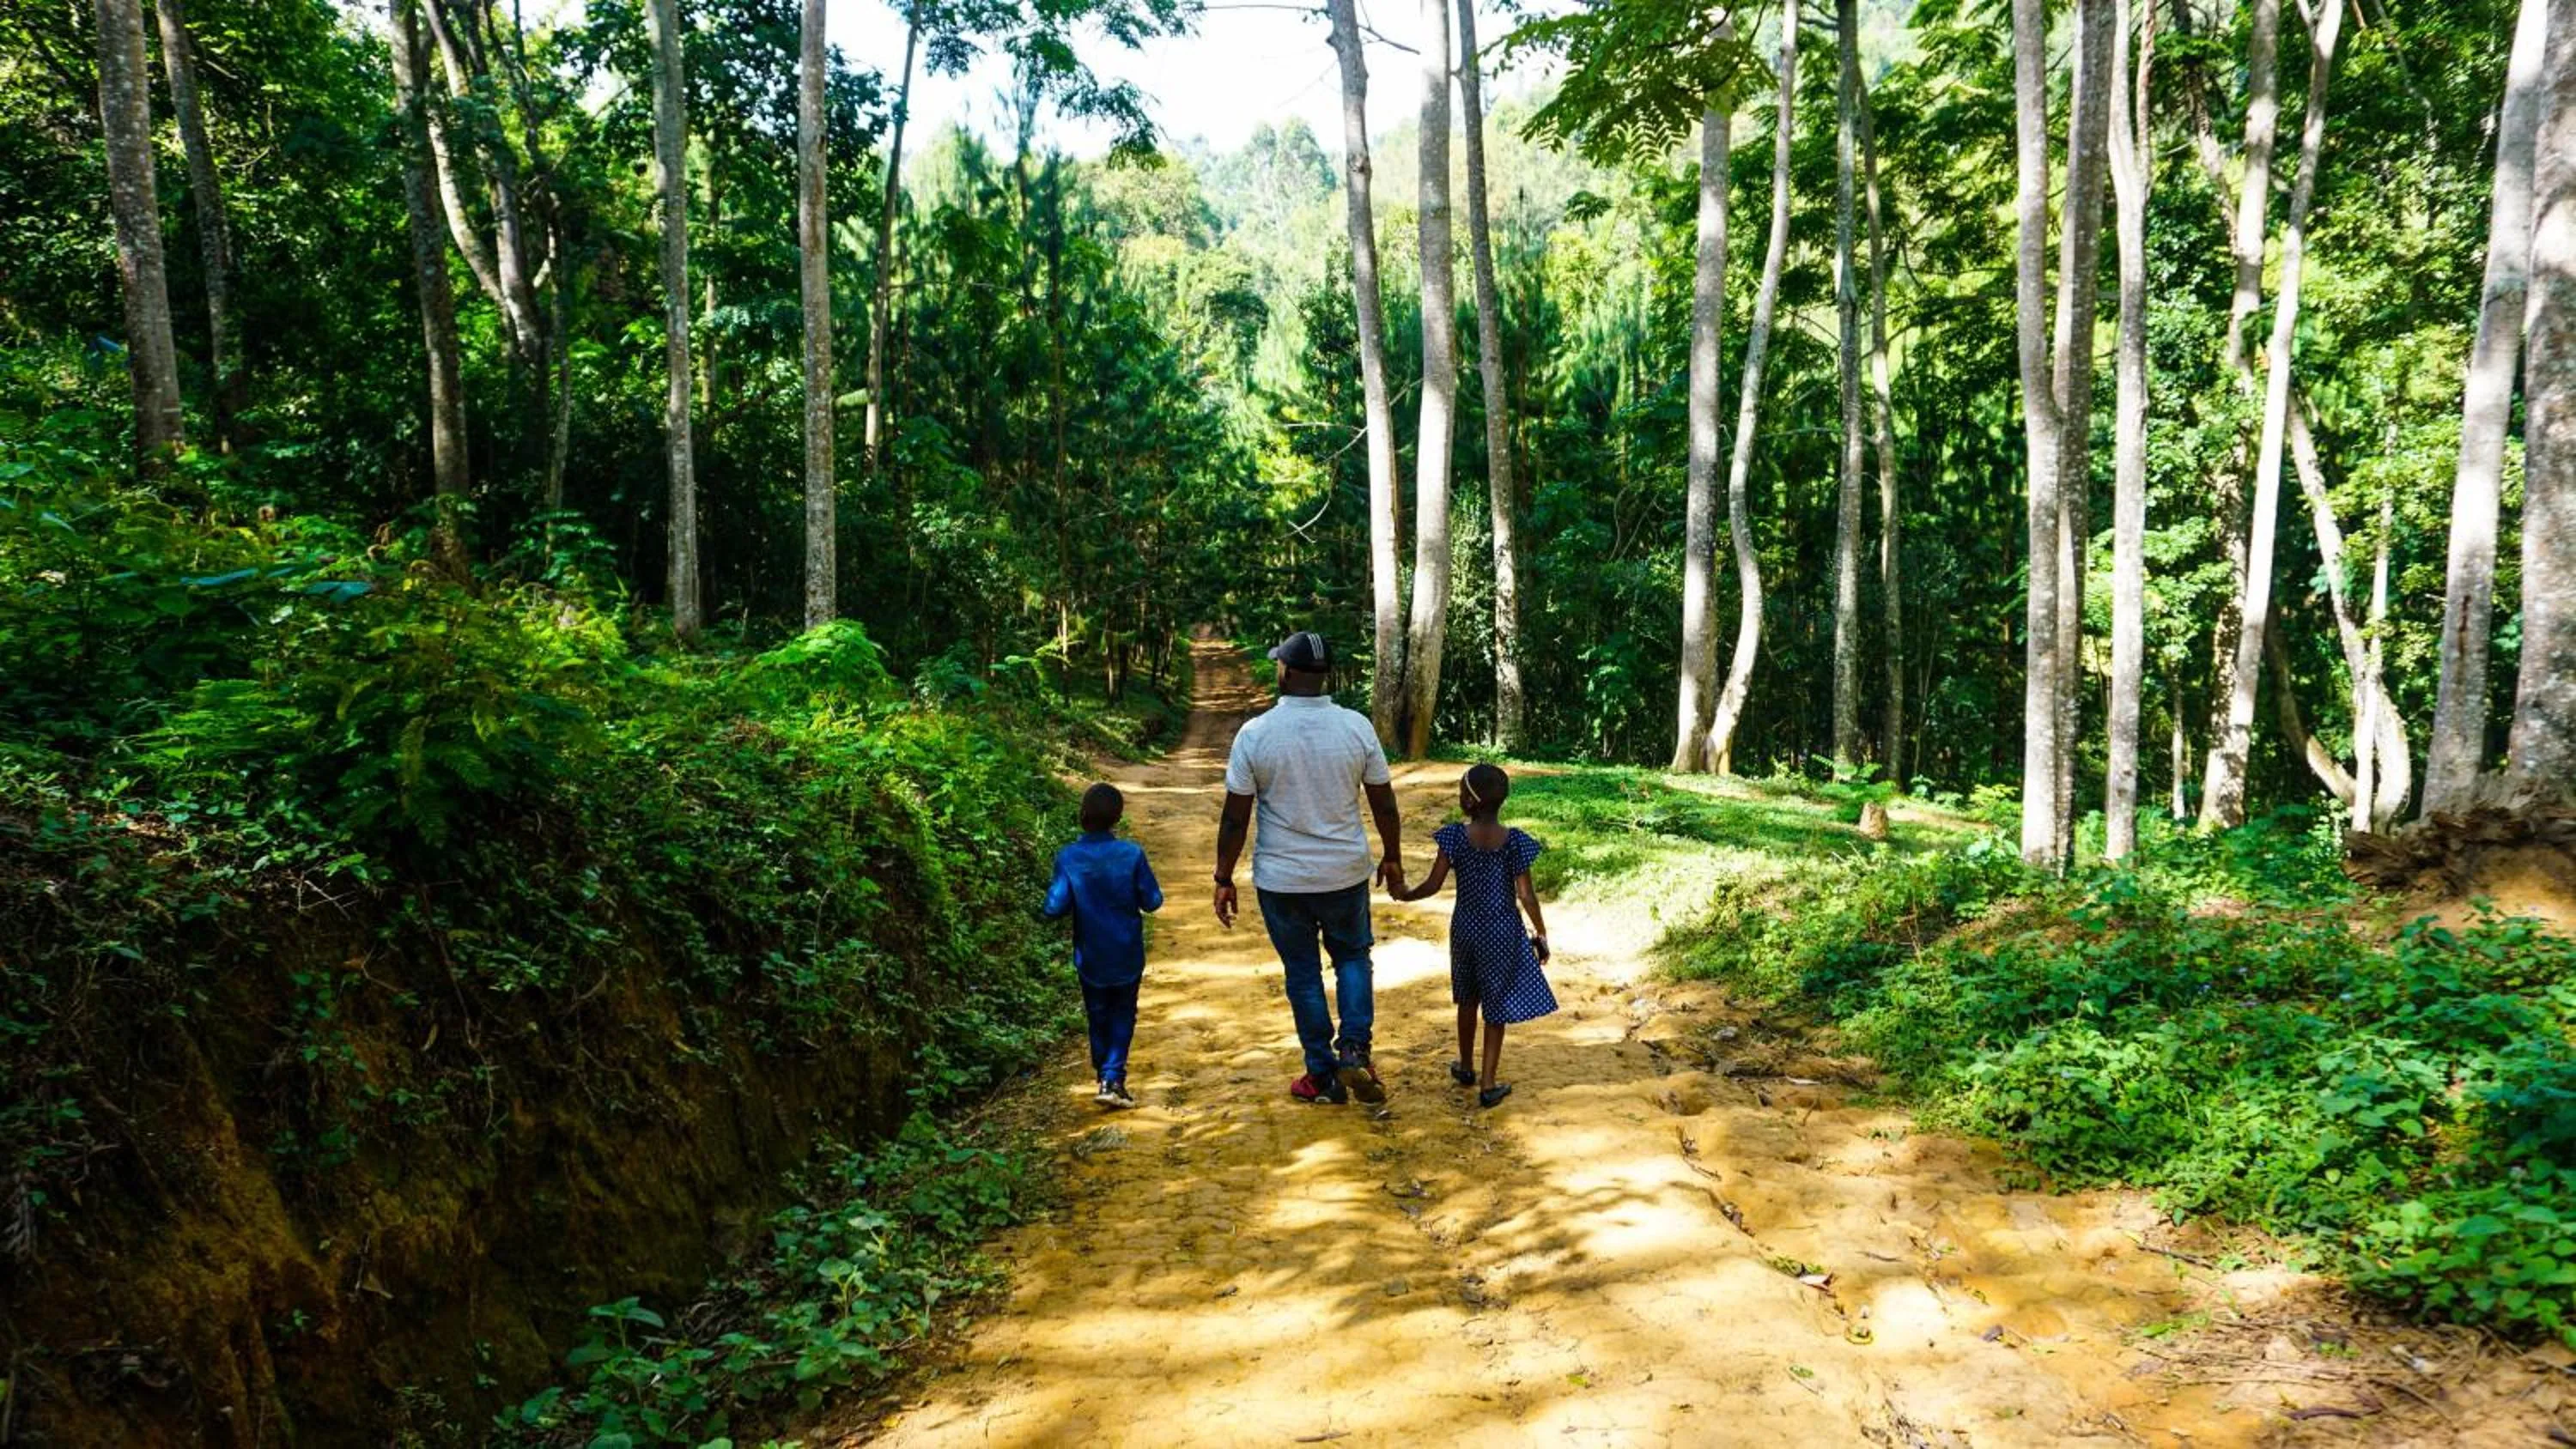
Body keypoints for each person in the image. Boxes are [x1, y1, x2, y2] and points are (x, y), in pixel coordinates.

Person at [1213, 631, 1406, 1105]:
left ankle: (1321, 1076)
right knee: (1353, 958)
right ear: (1324, 677)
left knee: (1303, 973)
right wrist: (1393, 856)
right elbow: (1384, 803)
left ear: (1288, 673)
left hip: (1282, 881)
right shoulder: (1356, 727)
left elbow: (1236, 816)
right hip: (1344, 872)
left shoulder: (1256, 734)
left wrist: (1223, 877)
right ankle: (1356, 1050)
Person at [1392, 763, 1556, 1108]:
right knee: (1495, 1005)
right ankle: (1489, 1083)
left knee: (1466, 998)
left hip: (1465, 929)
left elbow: (1433, 884)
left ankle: (1465, 1066)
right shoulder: (1515, 843)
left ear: (1470, 801)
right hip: (1502, 931)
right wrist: (1540, 932)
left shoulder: (1453, 837)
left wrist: (1406, 894)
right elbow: (1525, 895)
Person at [1044, 783, 1164, 1109]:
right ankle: (1113, 1078)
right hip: (1126, 952)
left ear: (1082, 815)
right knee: (1123, 1012)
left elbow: (1054, 907)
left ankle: (1104, 1077)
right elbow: (1153, 901)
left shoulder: (1068, 857)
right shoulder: (1131, 854)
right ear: (1118, 818)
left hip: (1090, 955)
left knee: (1097, 1013)